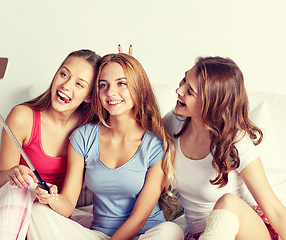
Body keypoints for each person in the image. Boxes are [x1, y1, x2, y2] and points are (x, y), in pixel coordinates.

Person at [28, 53, 184, 240]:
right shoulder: (83, 137)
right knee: (36, 212)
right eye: (103, 85)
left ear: (138, 87)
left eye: (121, 83)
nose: (110, 92)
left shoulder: (155, 145)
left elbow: (139, 218)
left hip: (146, 234)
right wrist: (51, 198)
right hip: (99, 235)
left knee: (171, 231)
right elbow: (68, 203)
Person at [0, 49, 102, 240]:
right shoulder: (22, 117)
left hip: (46, 212)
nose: (66, 85)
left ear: (89, 96)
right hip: (1, 207)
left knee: (37, 208)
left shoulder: (87, 129)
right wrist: (13, 173)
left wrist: (52, 198)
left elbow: (67, 205)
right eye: (64, 74)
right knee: (25, 185)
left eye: (79, 84)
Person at [163, 56, 286, 240]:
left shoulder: (235, 141)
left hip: (245, 231)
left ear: (211, 102)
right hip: (202, 235)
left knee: (228, 202)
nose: (178, 90)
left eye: (190, 91)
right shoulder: (173, 122)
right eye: (184, 79)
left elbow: (275, 210)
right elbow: (135, 137)